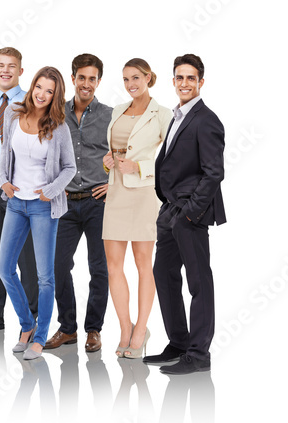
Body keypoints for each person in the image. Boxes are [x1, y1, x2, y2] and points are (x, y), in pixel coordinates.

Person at [146, 54, 225, 375]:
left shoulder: (207, 120)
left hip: (191, 213)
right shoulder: (177, 116)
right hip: (170, 210)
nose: (185, 83)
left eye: (191, 78)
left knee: (198, 281)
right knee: (163, 276)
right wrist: (169, 205)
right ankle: (179, 343)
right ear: (173, 80)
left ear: (201, 82)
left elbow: (214, 173)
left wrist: (191, 212)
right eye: (180, 78)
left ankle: (199, 353)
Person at [0, 66, 76, 361]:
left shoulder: (59, 128)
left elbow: (70, 168)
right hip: (16, 202)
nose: (42, 94)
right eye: (39, 87)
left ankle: (40, 337)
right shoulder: (13, 115)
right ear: (32, 87)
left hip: (43, 206)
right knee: (4, 269)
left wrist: (52, 190)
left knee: (45, 277)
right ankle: (27, 325)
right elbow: (6, 154)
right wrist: (4, 181)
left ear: (56, 96)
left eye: (49, 91)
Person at [102, 58, 170, 359]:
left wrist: (140, 167)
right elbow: (117, 147)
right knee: (113, 267)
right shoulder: (118, 110)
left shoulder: (163, 114)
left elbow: (173, 160)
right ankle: (125, 328)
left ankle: (142, 329)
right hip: (115, 191)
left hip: (143, 195)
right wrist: (108, 158)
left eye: (136, 78)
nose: (131, 84)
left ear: (148, 78)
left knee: (144, 264)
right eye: (126, 79)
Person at [45, 54, 112, 353]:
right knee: (58, 265)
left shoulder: (111, 115)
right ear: (73, 79)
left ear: (98, 81)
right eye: (81, 77)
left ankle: (94, 329)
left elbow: (127, 152)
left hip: (99, 203)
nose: (87, 84)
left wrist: (113, 183)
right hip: (66, 202)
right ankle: (68, 327)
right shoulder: (56, 112)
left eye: (92, 78)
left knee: (100, 267)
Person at [0, 47, 40, 331]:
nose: (5, 70)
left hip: (22, 187)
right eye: (0, 65)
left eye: (11, 66)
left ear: (21, 70)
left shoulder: (32, 102)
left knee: (27, 258)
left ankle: (32, 318)